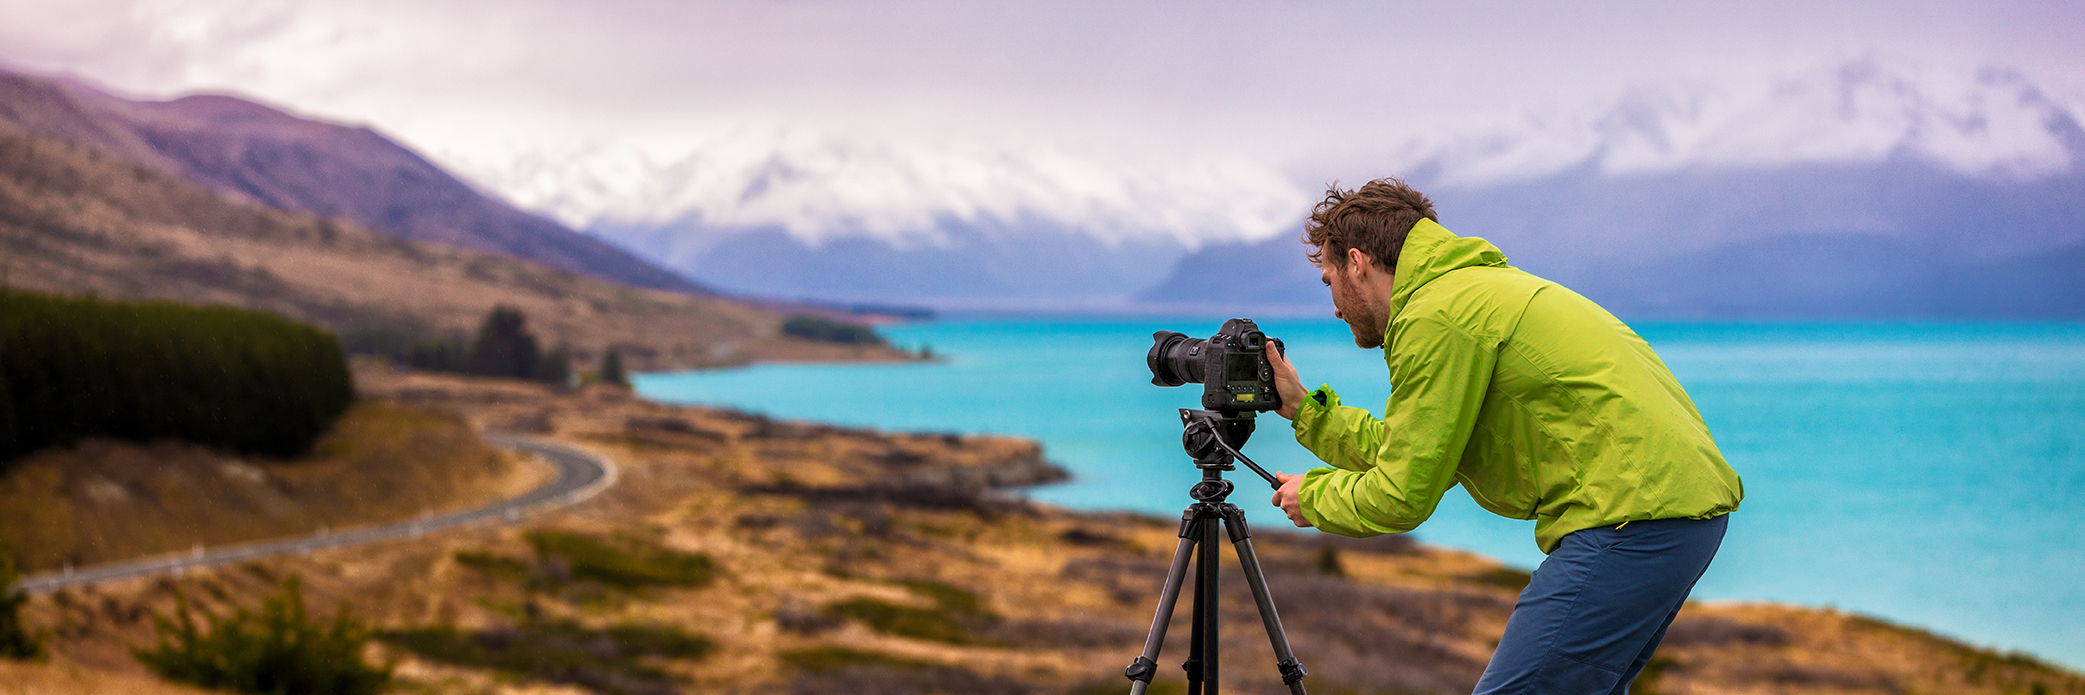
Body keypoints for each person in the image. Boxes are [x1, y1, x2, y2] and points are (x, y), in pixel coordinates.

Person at [1262, 178, 1743, 695]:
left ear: (1357, 263)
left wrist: (1312, 497)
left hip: (1632, 519)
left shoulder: (1437, 316)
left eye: (1329, 280)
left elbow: (1402, 494)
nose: (1334, 306)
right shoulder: (1472, 293)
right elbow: (1418, 450)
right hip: (1675, 512)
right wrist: (1302, 410)